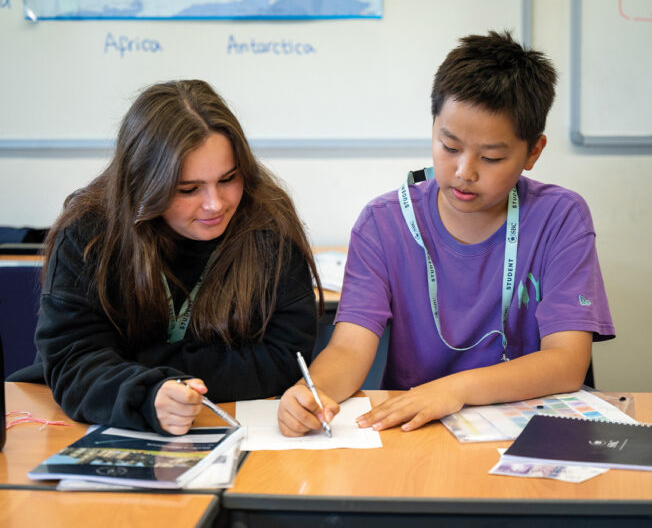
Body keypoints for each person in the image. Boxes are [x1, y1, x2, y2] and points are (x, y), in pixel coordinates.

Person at [277, 31, 615, 437]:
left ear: (533, 152)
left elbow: (566, 362)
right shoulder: (383, 223)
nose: (464, 172)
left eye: (491, 157)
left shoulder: (560, 218)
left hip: (521, 429)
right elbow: (349, 347)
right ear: (434, 127)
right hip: (414, 430)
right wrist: (309, 394)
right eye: (449, 146)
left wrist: (454, 390)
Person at [26, 80, 322, 435]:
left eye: (228, 179)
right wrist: (148, 393)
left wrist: (136, 365)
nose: (215, 204)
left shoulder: (268, 226)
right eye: (188, 189)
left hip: (236, 425)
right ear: (142, 182)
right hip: (80, 423)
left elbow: (283, 358)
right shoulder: (90, 234)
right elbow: (73, 362)